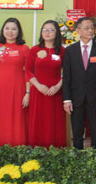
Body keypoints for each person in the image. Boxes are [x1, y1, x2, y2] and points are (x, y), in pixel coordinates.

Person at [62, 17, 96, 149]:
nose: (90, 30)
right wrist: (67, 100)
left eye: (92, 28)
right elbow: (66, 77)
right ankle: (78, 157)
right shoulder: (70, 51)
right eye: (86, 28)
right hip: (76, 97)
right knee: (77, 131)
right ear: (78, 31)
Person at [0, 18, 30, 146]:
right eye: (7, 28)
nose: (10, 32)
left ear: (18, 32)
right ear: (3, 30)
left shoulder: (24, 49)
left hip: (18, 90)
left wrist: (28, 93)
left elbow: (28, 73)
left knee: (17, 118)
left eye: (14, 29)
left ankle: (18, 148)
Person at [26, 20, 66, 148]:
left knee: (55, 122)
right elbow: (28, 71)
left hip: (55, 92)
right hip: (38, 91)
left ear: (57, 33)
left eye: (51, 30)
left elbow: (68, 72)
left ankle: (56, 151)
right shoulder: (35, 49)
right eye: (44, 30)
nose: (47, 32)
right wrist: (38, 85)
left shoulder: (63, 51)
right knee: (38, 121)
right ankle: (36, 150)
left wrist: (58, 86)